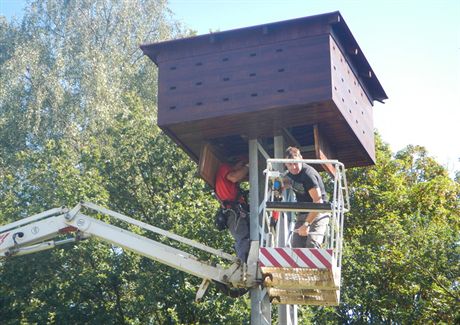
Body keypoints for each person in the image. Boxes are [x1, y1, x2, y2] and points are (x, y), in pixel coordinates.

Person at [284, 147, 330, 248]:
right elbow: (285, 182)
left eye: (295, 163)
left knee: (312, 243)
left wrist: (306, 224)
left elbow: (318, 201)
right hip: (303, 213)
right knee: (296, 245)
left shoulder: (308, 175)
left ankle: (316, 262)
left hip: (318, 213)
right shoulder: (289, 175)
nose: (293, 167)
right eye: (290, 164)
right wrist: (278, 186)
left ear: (301, 159)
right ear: (285, 164)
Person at [214, 156, 250, 263]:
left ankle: (250, 263)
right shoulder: (224, 168)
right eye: (241, 165)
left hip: (238, 211)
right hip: (233, 212)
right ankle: (244, 267)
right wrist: (247, 166)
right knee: (243, 238)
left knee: (251, 237)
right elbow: (234, 177)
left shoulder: (230, 180)